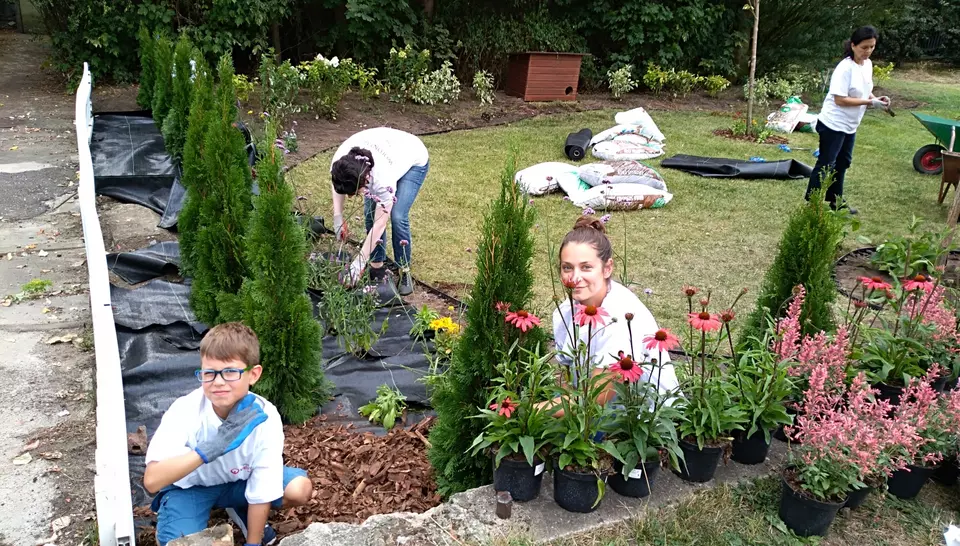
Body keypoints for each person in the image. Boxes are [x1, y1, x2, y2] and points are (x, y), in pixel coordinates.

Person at [143, 323, 313, 546]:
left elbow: (262, 488)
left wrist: (253, 543)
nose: (218, 382)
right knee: (180, 542)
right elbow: (152, 481)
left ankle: (241, 510)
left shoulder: (265, 416)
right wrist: (208, 450)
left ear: (253, 374)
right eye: (209, 373)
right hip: (191, 488)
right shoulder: (185, 410)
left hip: (238, 483)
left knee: (298, 489)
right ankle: (186, 515)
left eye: (231, 372)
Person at [540, 216, 680, 416]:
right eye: (567, 267)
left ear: (607, 268)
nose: (575, 278)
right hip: (595, 409)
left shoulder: (620, 316)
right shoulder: (565, 311)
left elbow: (597, 398)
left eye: (586, 267)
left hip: (644, 418)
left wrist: (529, 412)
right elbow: (567, 376)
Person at [330, 127, 429, 296]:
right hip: (387, 149)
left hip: (413, 157)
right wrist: (338, 218)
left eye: (355, 192)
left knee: (398, 216)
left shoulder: (382, 180)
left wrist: (358, 263)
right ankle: (377, 265)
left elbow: (380, 223)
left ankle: (404, 269)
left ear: (366, 179)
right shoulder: (340, 163)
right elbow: (337, 186)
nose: (352, 197)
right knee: (369, 212)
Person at [805, 25, 890, 213]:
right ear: (853, 45)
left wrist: (876, 100)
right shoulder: (844, 68)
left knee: (843, 162)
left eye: (872, 47)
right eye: (864, 47)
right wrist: (869, 103)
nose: (868, 51)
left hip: (850, 126)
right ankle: (812, 205)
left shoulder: (867, 65)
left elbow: (865, 90)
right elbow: (840, 100)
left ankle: (836, 202)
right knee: (826, 164)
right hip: (833, 124)